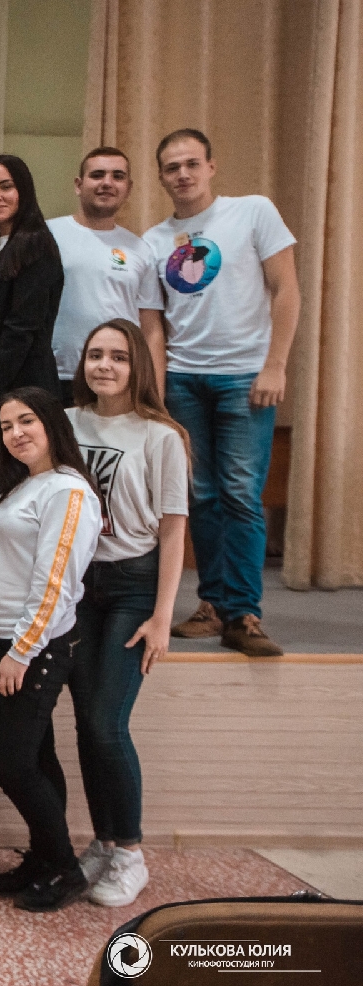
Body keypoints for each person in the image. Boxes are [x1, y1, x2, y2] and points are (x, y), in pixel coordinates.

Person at [143, 128, 300, 657]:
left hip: (245, 378)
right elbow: (154, 326)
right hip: (184, 380)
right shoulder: (154, 240)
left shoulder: (252, 212)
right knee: (202, 495)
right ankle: (212, 606)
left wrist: (275, 365)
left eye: (192, 163)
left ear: (211, 166)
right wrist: (158, 395)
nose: (183, 174)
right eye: (172, 167)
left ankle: (245, 613)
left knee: (240, 494)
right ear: (161, 177)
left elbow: (286, 290)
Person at [0, 386, 102, 912]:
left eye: (27, 421)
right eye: (7, 425)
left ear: (52, 424)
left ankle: (64, 867)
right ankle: (43, 858)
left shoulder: (67, 491)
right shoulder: (21, 485)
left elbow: (54, 581)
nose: (16, 433)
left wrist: (21, 651)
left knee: (13, 764)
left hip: (32, 649)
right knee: (37, 756)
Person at [66, 319, 189, 907]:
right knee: (85, 721)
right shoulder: (66, 422)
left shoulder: (161, 436)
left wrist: (163, 615)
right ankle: (104, 840)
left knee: (106, 722)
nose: (105, 366)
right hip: (78, 583)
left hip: (132, 586)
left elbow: (173, 530)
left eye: (117, 356)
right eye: (95, 355)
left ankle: (131, 853)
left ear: (137, 365)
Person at [48, 148, 166, 404]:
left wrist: (155, 396)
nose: (107, 183)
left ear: (128, 188)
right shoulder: (47, 235)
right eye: (97, 175)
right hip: (54, 376)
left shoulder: (141, 249)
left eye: (118, 176)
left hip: (119, 380)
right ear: (79, 185)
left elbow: (151, 328)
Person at [0, 154, 64, 443]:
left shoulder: (35, 244)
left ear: (24, 190)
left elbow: (20, 331)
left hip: (23, 390)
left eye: (6, 186)